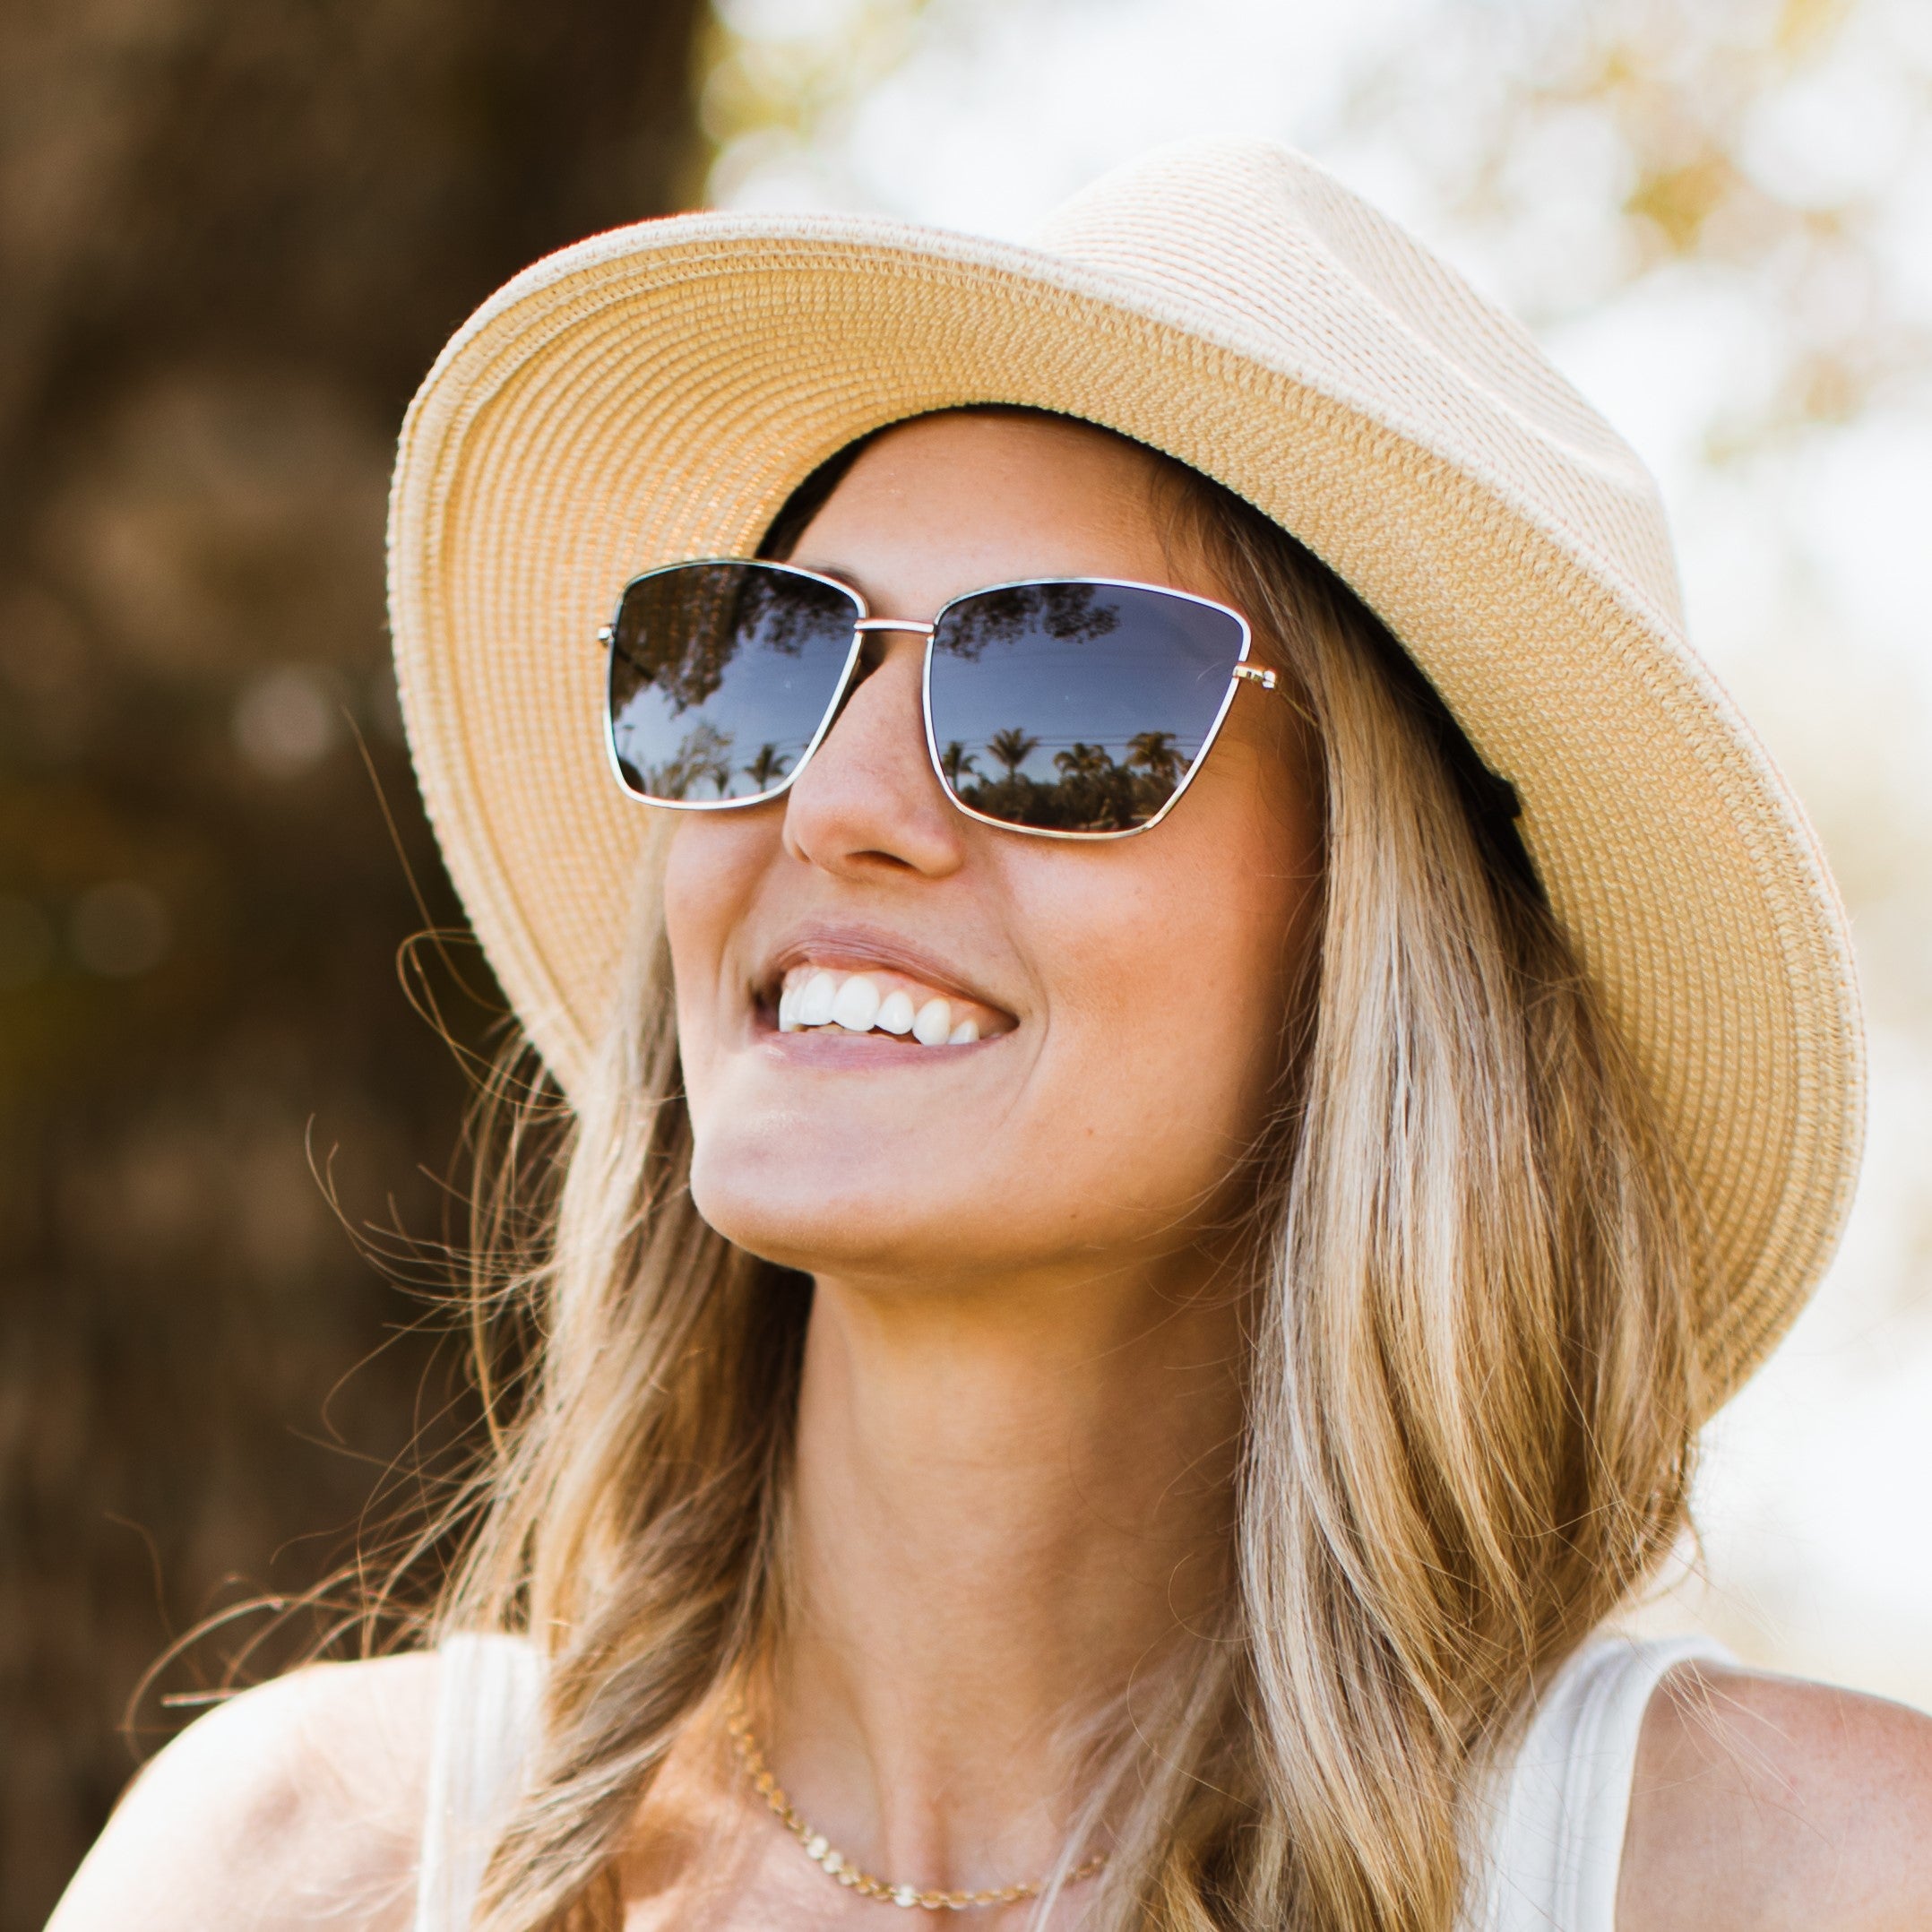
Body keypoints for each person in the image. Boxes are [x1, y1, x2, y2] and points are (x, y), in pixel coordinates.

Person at [48, 139, 1932, 1932]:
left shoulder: (1807, 1878)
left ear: (1378, 934)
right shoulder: (299, 1867)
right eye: (766, 656)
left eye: (1060, 687)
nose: (835, 801)